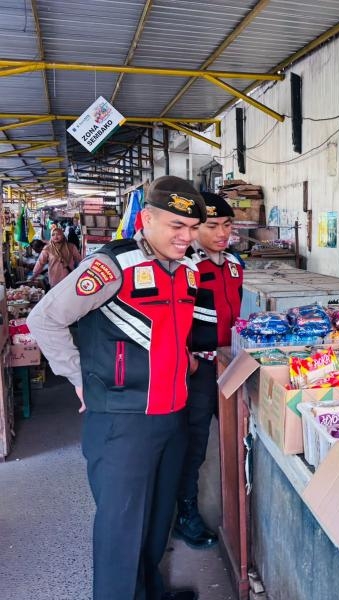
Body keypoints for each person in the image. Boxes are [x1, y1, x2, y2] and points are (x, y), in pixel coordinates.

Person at [27, 176, 207, 600]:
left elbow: (165, 336)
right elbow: (44, 319)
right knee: (121, 530)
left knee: (156, 520)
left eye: (192, 228)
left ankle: (151, 592)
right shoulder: (113, 266)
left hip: (171, 415)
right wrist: (78, 378)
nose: (186, 237)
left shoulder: (186, 270)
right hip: (123, 421)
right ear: (146, 220)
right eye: (175, 226)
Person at [173, 192, 242, 549]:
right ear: (196, 228)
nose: (221, 233)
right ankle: (186, 514)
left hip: (230, 365)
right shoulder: (184, 266)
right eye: (212, 225)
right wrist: (185, 356)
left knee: (236, 437)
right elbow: (170, 320)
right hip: (197, 369)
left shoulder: (232, 264)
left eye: (227, 225)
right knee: (194, 444)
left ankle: (237, 509)